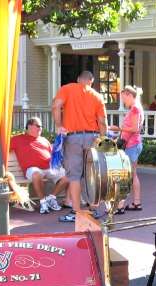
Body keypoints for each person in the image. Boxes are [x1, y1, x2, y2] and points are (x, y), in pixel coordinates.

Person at [52, 70, 108, 222]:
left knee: (74, 176)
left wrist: (58, 125)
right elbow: (102, 121)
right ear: (91, 81)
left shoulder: (67, 89)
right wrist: (103, 139)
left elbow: (56, 106)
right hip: (93, 137)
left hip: (73, 137)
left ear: (78, 79)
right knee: (93, 174)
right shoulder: (97, 96)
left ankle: (76, 212)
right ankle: (93, 209)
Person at [10, 117, 69, 214]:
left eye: (41, 126)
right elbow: (1, 147)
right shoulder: (17, 139)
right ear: (29, 126)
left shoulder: (44, 140)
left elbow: (52, 154)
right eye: (38, 126)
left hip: (49, 168)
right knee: (36, 174)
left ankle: (51, 198)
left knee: (68, 176)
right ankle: (43, 202)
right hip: (32, 169)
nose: (40, 128)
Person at [109, 86, 144, 213]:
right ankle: (136, 202)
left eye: (124, 98)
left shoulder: (135, 109)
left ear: (129, 95)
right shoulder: (137, 107)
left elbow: (135, 129)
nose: (123, 101)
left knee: (126, 175)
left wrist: (119, 129)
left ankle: (120, 205)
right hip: (134, 144)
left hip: (131, 145)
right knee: (132, 174)